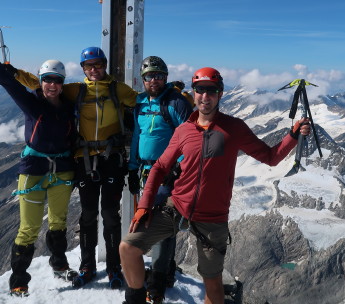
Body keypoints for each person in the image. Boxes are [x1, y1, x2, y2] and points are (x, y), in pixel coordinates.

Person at [119, 67, 310, 304]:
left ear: (220, 94)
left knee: (213, 285)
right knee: (128, 249)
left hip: (212, 216)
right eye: (200, 90)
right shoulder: (183, 130)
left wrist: (292, 136)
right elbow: (159, 167)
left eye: (211, 91)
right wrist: (144, 205)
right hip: (176, 206)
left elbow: (270, 157)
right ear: (194, 93)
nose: (204, 97)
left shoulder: (234, 128)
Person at [0, 29, 78, 297]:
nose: (52, 85)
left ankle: (59, 265)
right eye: (47, 80)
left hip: (62, 169)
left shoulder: (72, 105)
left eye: (57, 81)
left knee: (59, 221)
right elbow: (2, 79)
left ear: (63, 83)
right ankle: (19, 279)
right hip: (35, 169)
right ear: (41, 82)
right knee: (29, 227)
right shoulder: (32, 103)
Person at [13, 46, 137, 289]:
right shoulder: (76, 90)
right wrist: (14, 72)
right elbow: (42, 83)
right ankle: (87, 265)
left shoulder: (118, 89)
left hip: (111, 160)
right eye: (89, 66)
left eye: (98, 65)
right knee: (88, 215)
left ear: (105, 66)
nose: (94, 70)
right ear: (83, 69)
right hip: (84, 159)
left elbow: (143, 101)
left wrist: (175, 95)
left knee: (111, 215)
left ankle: (114, 266)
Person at [128, 56, 193, 303]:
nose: (154, 80)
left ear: (165, 77)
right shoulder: (140, 103)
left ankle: (157, 283)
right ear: (143, 79)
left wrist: (179, 169)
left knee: (162, 224)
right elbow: (137, 136)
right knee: (156, 222)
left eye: (158, 76)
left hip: (168, 174)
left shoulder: (176, 103)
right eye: (149, 76)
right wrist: (133, 168)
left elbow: (189, 139)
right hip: (146, 171)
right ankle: (163, 271)